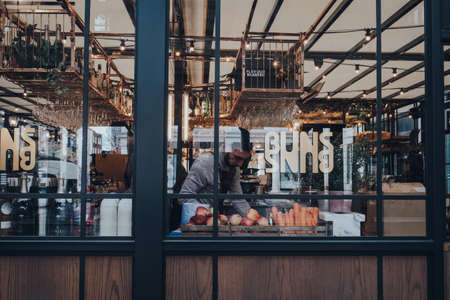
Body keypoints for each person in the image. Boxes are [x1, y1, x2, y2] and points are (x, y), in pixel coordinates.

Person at [179, 127, 252, 216]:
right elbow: (184, 196)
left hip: (213, 221)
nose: (240, 164)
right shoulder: (205, 163)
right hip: (195, 220)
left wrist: (252, 217)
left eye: (244, 160)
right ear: (226, 147)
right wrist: (206, 213)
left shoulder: (234, 169)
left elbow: (238, 199)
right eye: (237, 157)